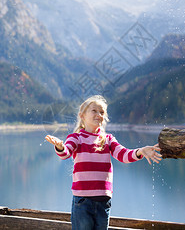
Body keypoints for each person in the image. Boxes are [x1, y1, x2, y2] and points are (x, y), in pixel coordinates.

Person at [45, 95, 162, 230]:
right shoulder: (76, 138)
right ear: (82, 115)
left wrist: (140, 151)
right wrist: (59, 146)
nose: (98, 114)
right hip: (83, 201)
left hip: (103, 201)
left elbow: (123, 155)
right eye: (94, 110)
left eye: (102, 112)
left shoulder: (108, 139)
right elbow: (65, 153)